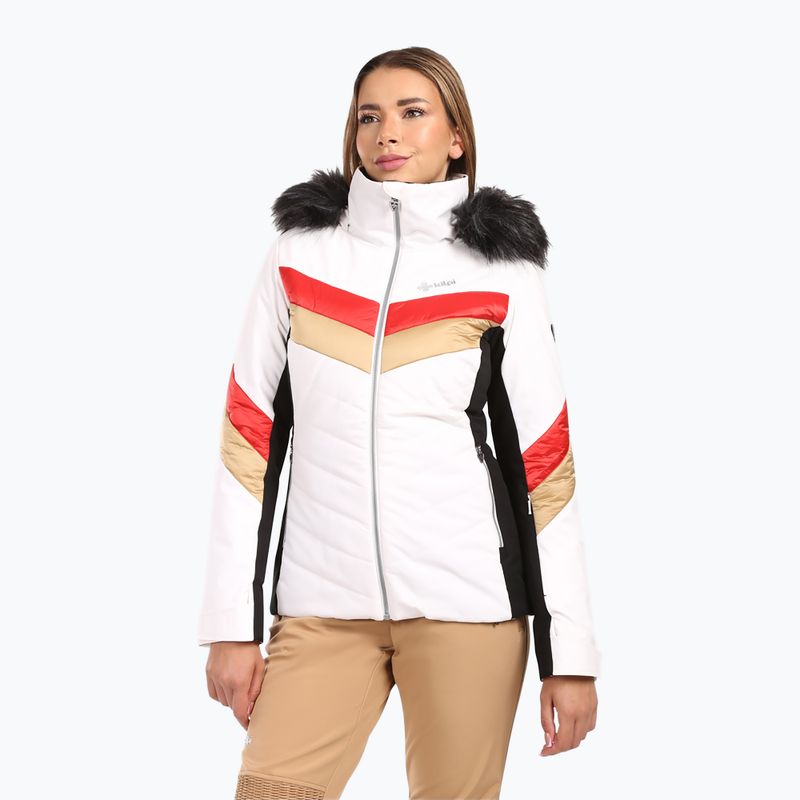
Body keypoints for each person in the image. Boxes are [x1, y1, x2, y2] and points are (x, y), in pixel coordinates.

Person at [198, 46, 601, 800]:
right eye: (370, 116)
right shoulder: (298, 257)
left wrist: (569, 657)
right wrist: (231, 624)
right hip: (320, 607)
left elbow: (545, 468)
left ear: (457, 137)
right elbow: (248, 444)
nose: (388, 132)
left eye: (413, 113)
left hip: (469, 610)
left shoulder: (503, 271)